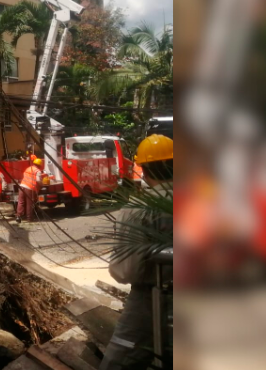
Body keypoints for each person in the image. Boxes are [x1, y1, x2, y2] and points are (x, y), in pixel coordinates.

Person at [99, 134, 173, 370]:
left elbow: (124, 271)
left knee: (118, 363)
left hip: (150, 300)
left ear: (144, 168)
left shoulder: (141, 208)